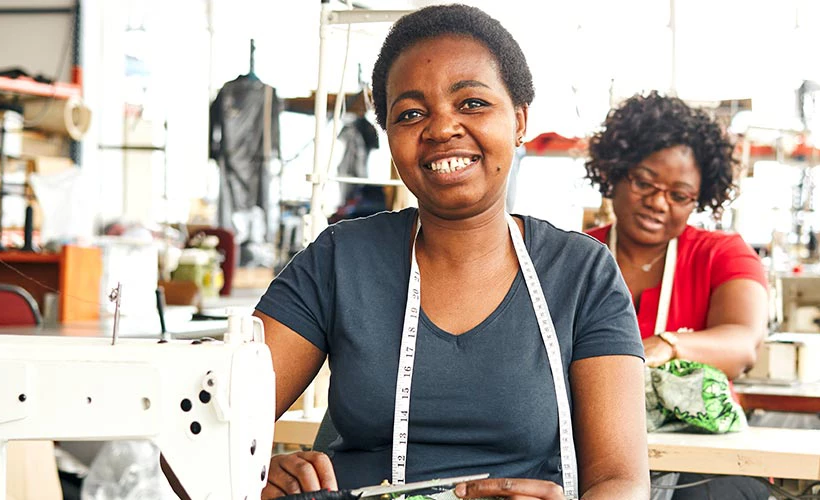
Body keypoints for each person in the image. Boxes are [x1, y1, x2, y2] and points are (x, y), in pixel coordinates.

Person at [226, 5, 648, 500]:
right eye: (410, 113)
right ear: (389, 138)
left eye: (471, 103)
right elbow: (210, 425)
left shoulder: (581, 273)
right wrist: (251, 474)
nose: (442, 128)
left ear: (519, 120)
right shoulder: (339, 261)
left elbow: (620, 480)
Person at [584, 92, 770, 500]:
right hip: (591, 450)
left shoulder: (722, 254)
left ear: (698, 199)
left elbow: (742, 344)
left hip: (701, 460)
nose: (657, 203)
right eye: (644, 182)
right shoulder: (572, 255)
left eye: (679, 195)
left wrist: (664, 346)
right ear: (614, 172)